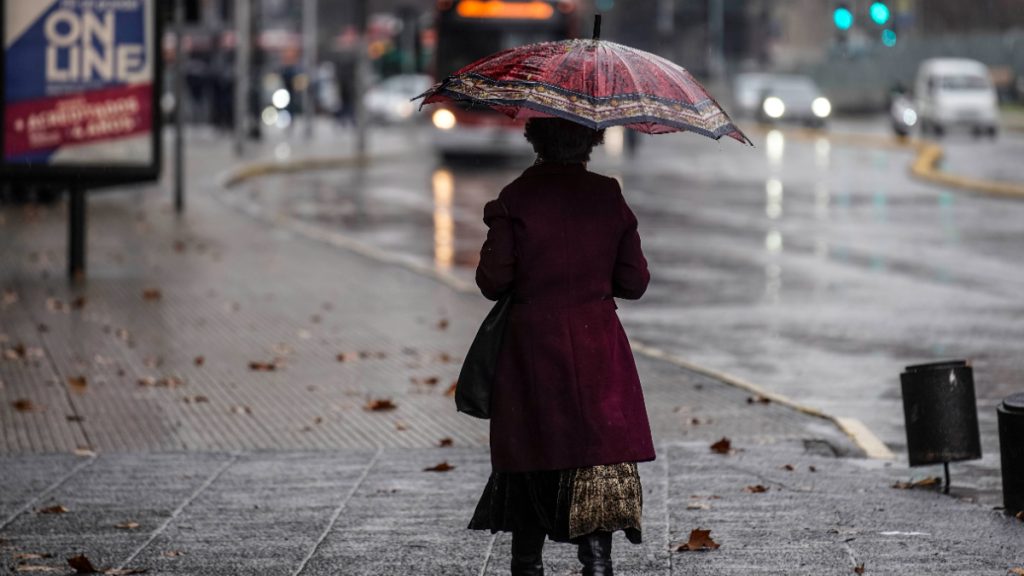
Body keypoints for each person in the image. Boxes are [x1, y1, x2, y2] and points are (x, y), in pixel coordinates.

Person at [468, 117, 656, 576]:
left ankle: (527, 563)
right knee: (595, 452)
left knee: (531, 450)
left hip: (530, 348)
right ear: (592, 140)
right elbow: (634, 282)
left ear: (534, 138)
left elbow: (493, 282)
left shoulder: (516, 197)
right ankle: (597, 564)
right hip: (597, 346)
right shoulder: (607, 195)